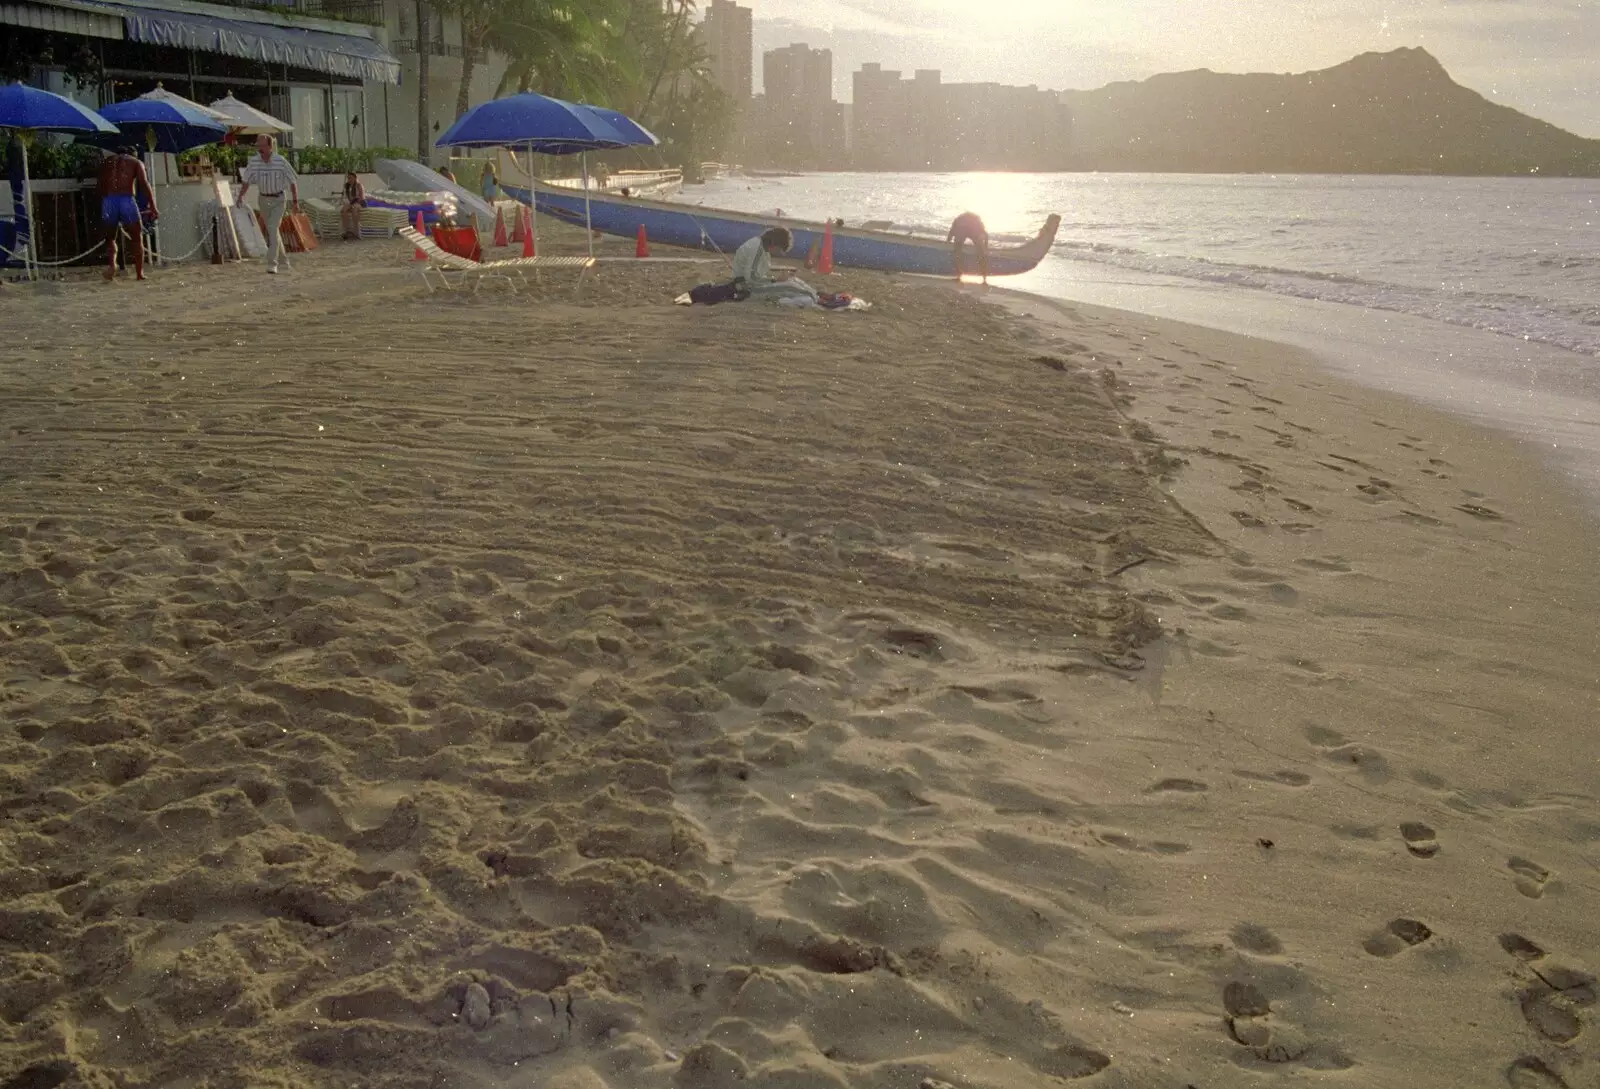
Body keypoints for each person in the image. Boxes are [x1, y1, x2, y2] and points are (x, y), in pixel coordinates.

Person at [236, 135, 301, 274]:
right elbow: (246, 181)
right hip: (263, 199)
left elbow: (293, 181)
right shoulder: (254, 162)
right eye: (258, 145)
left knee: (272, 228)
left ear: (270, 146)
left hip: (278, 199)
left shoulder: (281, 161)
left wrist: (295, 202)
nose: (260, 148)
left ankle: (273, 263)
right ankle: (284, 261)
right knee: (273, 231)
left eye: (263, 146)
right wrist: (241, 196)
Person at [98, 146, 158, 282]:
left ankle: (112, 266)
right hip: (126, 200)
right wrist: (153, 206)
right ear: (133, 154)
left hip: (109, 200)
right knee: (137, 237)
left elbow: (100, 183)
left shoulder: (108, 162)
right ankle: (139, 273)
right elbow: (144, 183)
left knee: (110, 238)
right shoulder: (135, 162)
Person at [730, 227, 818, 304]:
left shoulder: (761, 247)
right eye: (779, 249)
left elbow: (756, 274)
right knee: (789, 286)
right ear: (775, 244)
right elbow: (751, 278)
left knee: (792, 280)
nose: (778, 252)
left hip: (750, 284)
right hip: (746, 289)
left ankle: (816, 294)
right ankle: (817, 299)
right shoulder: (756, 248)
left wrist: (776, 280)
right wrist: (774, 281)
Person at [947, 210, 989, 285]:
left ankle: (960, 275)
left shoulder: (972, 221)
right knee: (980, 252)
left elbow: (952, 231)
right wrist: (985, 247)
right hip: (966, 226)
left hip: (970, 226)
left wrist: (948, 241)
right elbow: (985, 234)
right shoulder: (960, 220)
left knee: (958, 251)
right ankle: (984, 278)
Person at [339, 171, 366, 241]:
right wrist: (348, 204)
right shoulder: (347, 186)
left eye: (351, 178)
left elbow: (361, 197)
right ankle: (345, 231)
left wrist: (352, 204)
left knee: (354, 209)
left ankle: (356, 231)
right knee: (343, 210)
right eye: (348, 178)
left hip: (360, 202)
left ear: (355, 178)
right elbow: (347, 198)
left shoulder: (359, 185)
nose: (349, 179)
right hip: (352, 203)